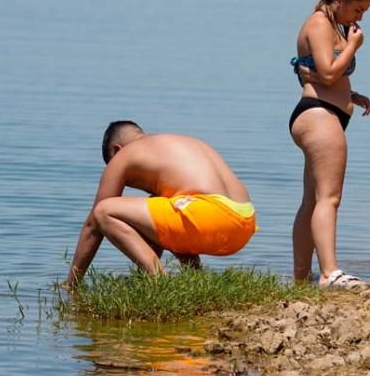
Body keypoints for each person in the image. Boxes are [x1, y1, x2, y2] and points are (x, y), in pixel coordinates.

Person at [65, 121, 256, 287]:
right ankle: (195, 277)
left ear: (116, 150)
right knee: (158, 207)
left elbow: (93, 226)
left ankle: (159, 281)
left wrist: (71, 283)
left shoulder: (124, 154)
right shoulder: (184, 142)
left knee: (103, 211)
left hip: (209, 216)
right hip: (244, 223)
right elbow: (162, 225)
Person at [288, 0, 370, 288]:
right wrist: (353, 46)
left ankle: (301, 279)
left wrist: (350, 95)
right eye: (357, 9)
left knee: (312, 200)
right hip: (319, 116)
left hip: (323, 113)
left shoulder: (332, 24)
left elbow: (322, 73)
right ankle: (330, 272)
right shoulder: (320, 23)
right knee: (330, 198)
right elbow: (326, 73)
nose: (360, 17)